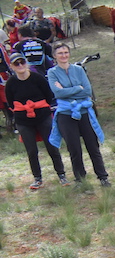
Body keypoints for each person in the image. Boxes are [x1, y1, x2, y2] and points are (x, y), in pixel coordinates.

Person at [47, 43, 110, 186]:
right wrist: (77, 88)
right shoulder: (52, 73)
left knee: (93, 146)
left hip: (84, 112)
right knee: (74, 148)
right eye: (60, 53)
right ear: (54, 56)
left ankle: (103, 177)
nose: (64, 55)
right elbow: (58, 93)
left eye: (66, 52)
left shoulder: (78, 69)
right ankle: (80, 179)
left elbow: (87, 91)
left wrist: (68, 90)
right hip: (66, 114)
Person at [5, 52, 68, 190]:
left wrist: (39, 108)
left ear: (26, 63)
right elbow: (10, 102)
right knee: (31, 151)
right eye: (16, 64)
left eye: (22, 62)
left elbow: (48, 95)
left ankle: (61, 174)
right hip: (23, 120)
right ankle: (37, 178)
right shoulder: (11, 83)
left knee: (52, 146)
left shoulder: (37, 78)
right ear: (12, 66)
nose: (20, 65)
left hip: (42, 117)